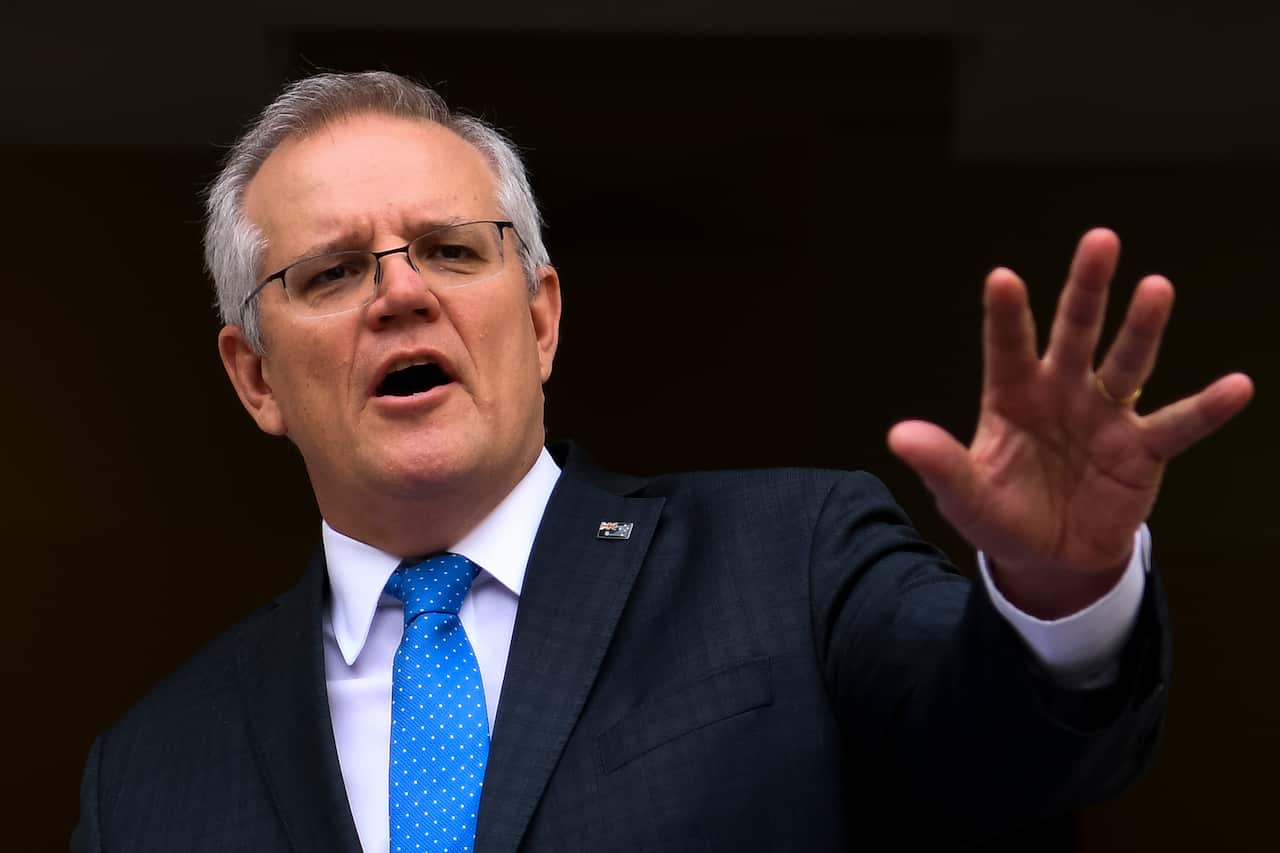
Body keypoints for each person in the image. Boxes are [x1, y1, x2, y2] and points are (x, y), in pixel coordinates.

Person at [71, 71, 1253, 853]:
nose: (401, 293)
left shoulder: (786, 561)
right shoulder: (147, 772)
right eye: (332, 272)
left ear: (540, 319)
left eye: (450, 249)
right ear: (255, 377)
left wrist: (1058, 590)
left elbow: (1002, 754)